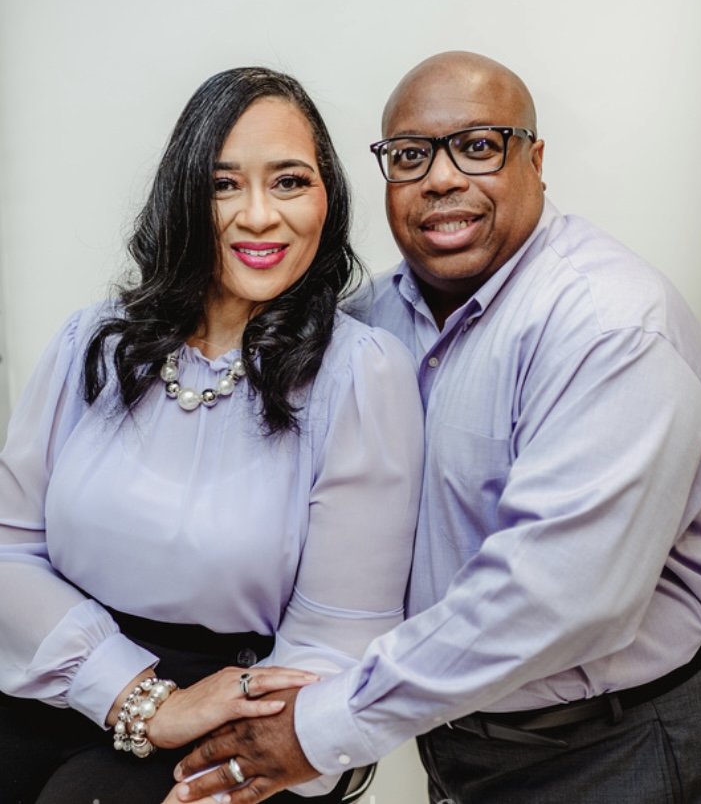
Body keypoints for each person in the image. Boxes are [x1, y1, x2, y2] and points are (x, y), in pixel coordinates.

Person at [171, 52, 701, 804]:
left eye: (479, 146)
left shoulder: (610, 327)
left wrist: (321, 726)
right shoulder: (363, 327)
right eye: (409, 155)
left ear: (536, 160)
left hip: (614, 750)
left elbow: (558, 599)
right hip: (456, 750)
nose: (441, 178)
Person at [0, 66, 424, 804]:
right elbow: (9, 550)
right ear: (183, 198)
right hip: (51, 670)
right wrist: (141, 700)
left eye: (289, 181)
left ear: (327, 196)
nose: (259, 216)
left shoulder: (361, 373)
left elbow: (335, 643)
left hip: (237, 719)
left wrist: (226, 773)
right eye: (224, 184)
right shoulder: (92, 340)